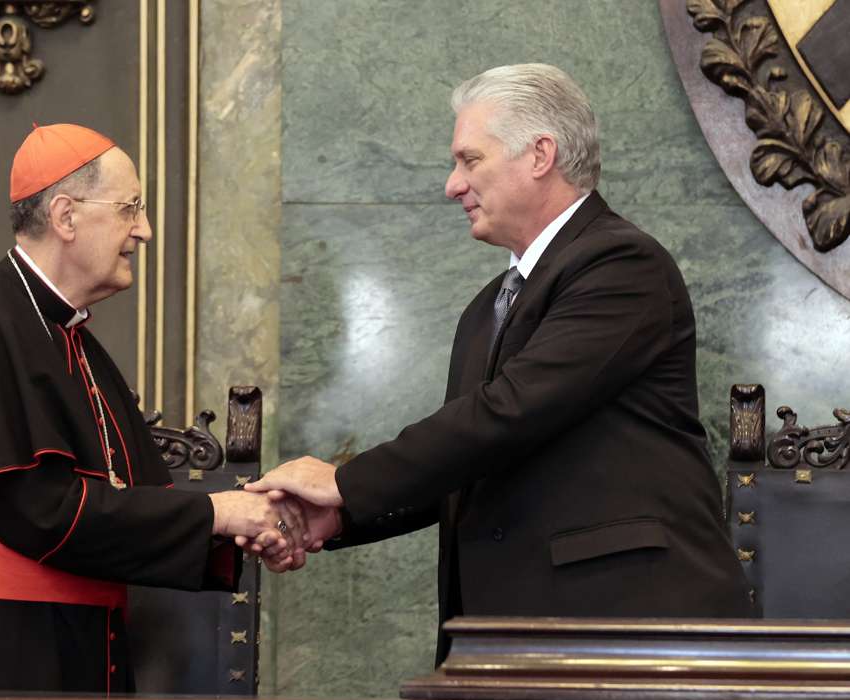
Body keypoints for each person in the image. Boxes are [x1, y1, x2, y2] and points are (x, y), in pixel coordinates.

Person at [247, 64, 757, 664]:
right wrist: (337, 518)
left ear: (540, 154)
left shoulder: (621, 265)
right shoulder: (486, 306)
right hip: (510, 634)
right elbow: (471, 461)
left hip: (626, 628)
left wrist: (341, 483)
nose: (452, 185)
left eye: (470, 160)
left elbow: (510, 413)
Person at [0, 123, 308, 694]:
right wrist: (221, 515)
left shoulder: (65, 336)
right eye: (130, 208)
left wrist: (241, 519)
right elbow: (46, 513)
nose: (143, 230)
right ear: (66, 216)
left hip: (72, 645)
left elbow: (122, 509)